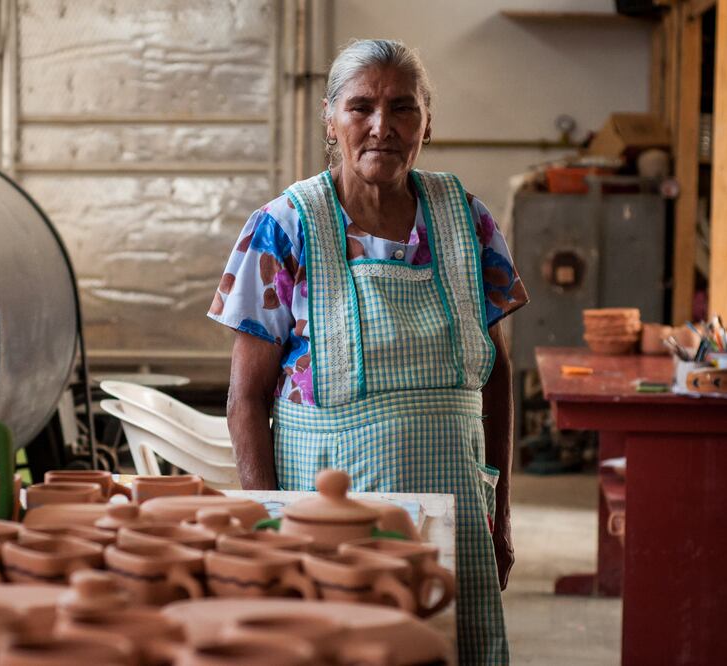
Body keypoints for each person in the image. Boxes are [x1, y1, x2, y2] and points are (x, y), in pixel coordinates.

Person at [207, 39, 528, 664]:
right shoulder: (285, 226)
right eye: (362, 107)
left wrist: (502, 512)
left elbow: (497, 374)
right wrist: (272, 527)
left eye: (403, 107)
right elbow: (244, 400)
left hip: (458, 519)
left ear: (427, 122)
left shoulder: (468, 220)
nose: (383, 126)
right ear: (331, 121)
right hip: (330, 529)